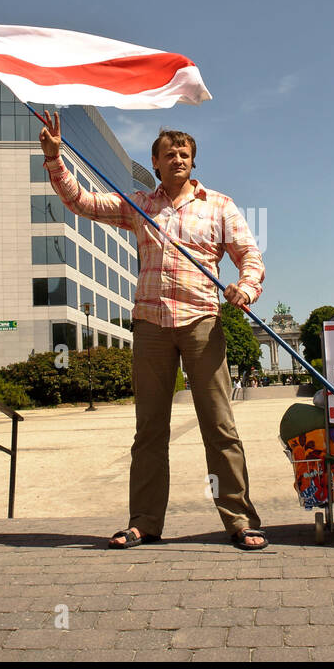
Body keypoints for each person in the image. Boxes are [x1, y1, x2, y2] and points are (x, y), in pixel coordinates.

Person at [39, 113, 269, 551]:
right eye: (170, 154)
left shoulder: (220, 205)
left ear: (193, 162)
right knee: (149, 430)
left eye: (185, 154)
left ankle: (239, 519)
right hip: (150, 325)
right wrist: (55, 160)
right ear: (155, 162)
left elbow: (249, 255)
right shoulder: (139, 202)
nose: (178, 158)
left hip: (203, 320)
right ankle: (144, 521)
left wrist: (247, 286)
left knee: (220, 426)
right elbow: (82, 203)